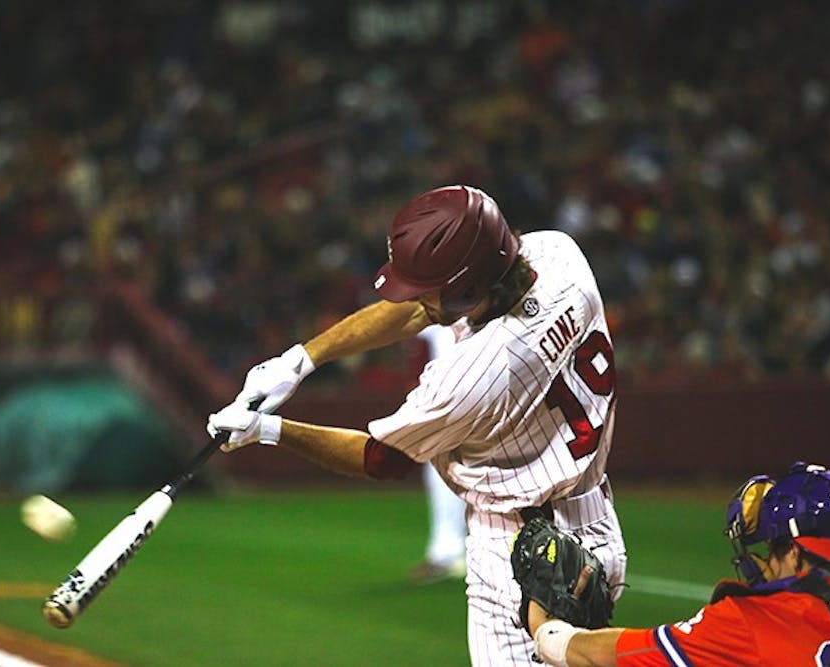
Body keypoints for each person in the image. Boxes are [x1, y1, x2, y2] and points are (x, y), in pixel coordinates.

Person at [207, 184, 627, 665]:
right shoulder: (559, 254)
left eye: (430, 289)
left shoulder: (473, 374)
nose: (416, 300)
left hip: (523, 547)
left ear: (468, 288)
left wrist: (269, 430)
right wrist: (301, 360)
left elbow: (381, 459)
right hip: (594, 522)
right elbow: (422, 306)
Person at [523, 461, 830, 667]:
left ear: (795, 553)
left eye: (774, 548)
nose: (767, 561)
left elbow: (620, 656)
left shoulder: (753, 622)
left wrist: (547, 632)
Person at [412, 324, 468, 583]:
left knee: (445, 473)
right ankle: (452, 552)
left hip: (461, 404)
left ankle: (450, 554)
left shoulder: (452, 310)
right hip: (463, 403)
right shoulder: (448, 310)